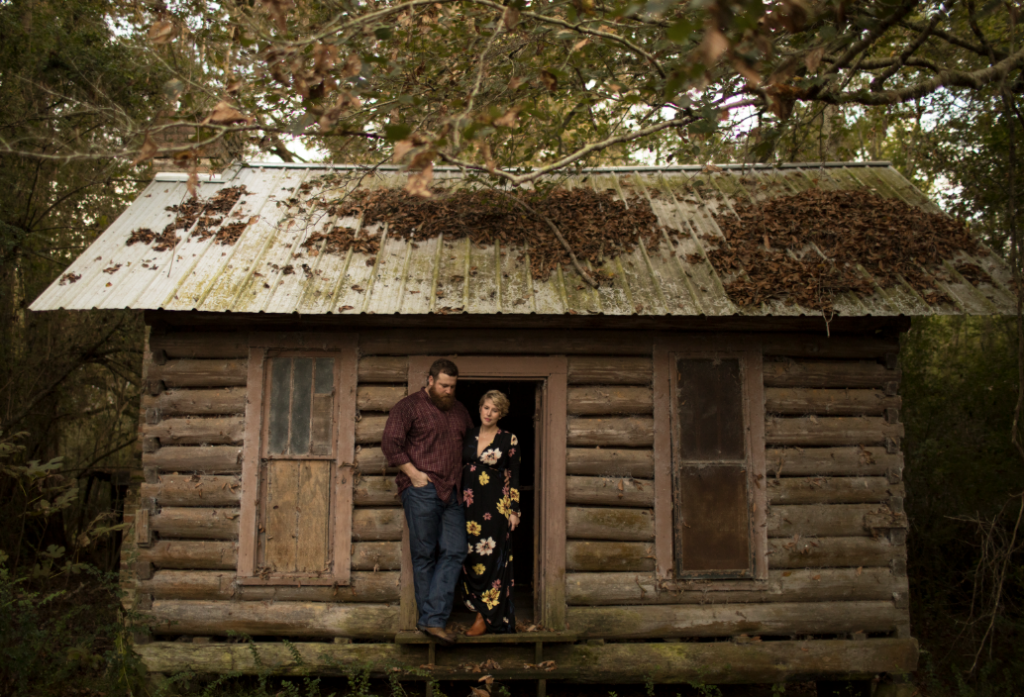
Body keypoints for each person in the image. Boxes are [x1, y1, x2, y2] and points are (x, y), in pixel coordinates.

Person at [381, 359, 473, 645]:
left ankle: (431, 618)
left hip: (453, 491)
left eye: (453, 386)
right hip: (422, 489)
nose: (448, 391)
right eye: (444, 385)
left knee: (456, 550)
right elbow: (390, 443)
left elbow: (473, 445)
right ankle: (433, 621)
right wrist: (414, 474)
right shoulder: (408, 407)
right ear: (430, 380)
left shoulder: (459, 410)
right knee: (424, 555)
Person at [460, 390, 521, 635]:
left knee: (491, 557)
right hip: (467, 506)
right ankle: (476, 607)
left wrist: (514, 510)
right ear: (480, 408)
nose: (489, 413)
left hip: (495, 506)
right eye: (486, 407)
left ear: (501, 414)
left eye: (495, 410)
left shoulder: (509, 439)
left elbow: (514, 476)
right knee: (469, 555)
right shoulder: (467, 434)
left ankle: (484, 616)